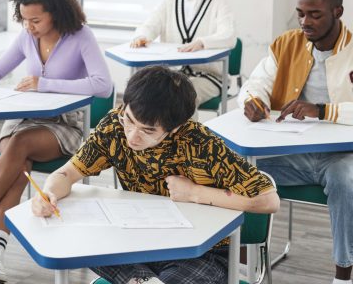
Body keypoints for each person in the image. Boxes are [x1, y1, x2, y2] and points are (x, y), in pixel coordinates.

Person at [33, 65, 279, 284]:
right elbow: (67, 173)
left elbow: (268, 200)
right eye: (128, 120)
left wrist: (195, 193)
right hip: (140, 243)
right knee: (85, 243)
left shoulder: (200, 144)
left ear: (175, 128)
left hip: (200, 252)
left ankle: (139, 279)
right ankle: (143, 280)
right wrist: (49, 193)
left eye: (148, 130)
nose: (132, 136)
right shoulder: (113, 127)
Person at [0, 0, 113, 283]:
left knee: (18, 145)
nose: (30, 26)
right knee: (18, 163)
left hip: (63, 124)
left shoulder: (80, 36)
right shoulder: (27, 37)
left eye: (36, 20)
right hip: (24, 118)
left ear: (56, 13)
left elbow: (103, 86)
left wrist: (45, 83)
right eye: (24, 19)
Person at [239, 0, 353, 284]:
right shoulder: (286, 43)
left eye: (315, 14)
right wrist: (253, 101)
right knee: (240, 169)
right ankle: (243, 262)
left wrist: (322, 110)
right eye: (301, 13)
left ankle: (344, 273)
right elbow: (256, 83)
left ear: (337, 12)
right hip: (291, 152)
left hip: (341, 155)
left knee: (345, 178)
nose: (305, 21)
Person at [131, 0, 236, 107]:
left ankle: (187, 133)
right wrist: (143, 36)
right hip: (174, 74)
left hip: (209, 77)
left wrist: (202, 42)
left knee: (184, 98)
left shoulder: (219, 1)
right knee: (148, 94)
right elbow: (152, 24)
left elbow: (229, 36)